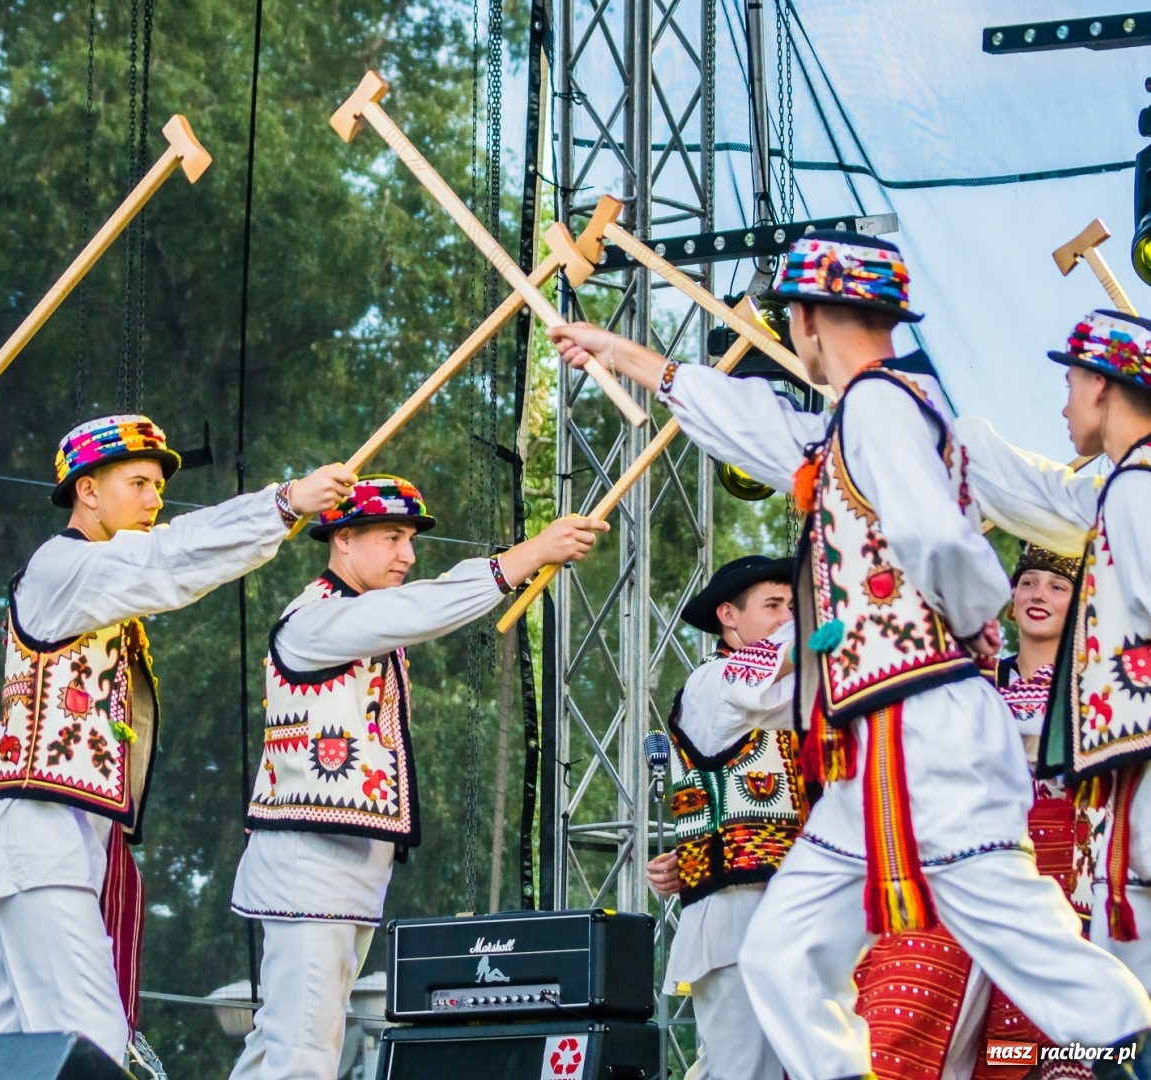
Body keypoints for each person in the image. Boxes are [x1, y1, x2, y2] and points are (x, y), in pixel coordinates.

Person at [547, 233, 1151, 1080]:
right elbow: (769, 434)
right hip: (875, 746)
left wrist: (966, 635)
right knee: (783, 958)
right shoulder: (871, 419)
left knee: (1019, 933)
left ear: (805, 320)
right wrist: (636, 361)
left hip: (927, 726)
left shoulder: (877, 408)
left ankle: (1132, 1044)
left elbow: (944, 544)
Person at [0, 414, 356, 1062]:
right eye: (139, 483)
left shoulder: (93, 603)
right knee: (89, 1039)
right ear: (87, 490)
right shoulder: (63, 566)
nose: (155, 501)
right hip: (41, 849)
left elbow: (43, 717)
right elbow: (168, 559)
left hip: (59, 843)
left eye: (158, 487)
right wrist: (284, 502)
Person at [226, 475, 606, 1080]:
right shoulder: (314, 621)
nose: (407, 554)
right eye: (392, 537)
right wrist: (530, 555)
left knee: (283, 1046)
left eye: (410, 539)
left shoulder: (360, 621)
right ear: (343, 539)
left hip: (343, 865)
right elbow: (416, 609)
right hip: (307, 863)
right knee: (302, 1054)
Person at [954, 309, 1151, 1038]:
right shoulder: (1122, 489)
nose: (1063, 404)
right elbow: (1053, 502)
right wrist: (963, 444)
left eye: (1070, 383)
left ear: (1102, 386)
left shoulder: (1136, 490)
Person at [850, 544, 1090, 1080]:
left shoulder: (1092, 689)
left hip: (1055, 878)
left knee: (1024, 1048)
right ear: (1009, 600)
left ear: (1080, 606)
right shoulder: (974, 679)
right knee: (907, 1009)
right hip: (959, 865)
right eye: (1028, 583)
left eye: (1057, 588)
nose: (1038, 596)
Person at [644, 555, 800, 1080]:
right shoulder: (713, 681)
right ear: (728, 616)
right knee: (745, 1068)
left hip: (795, 914)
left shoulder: (790, 697)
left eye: (794, 606)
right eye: (773, 605)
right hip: (738, 915)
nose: (787, 619)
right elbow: (764, 677)